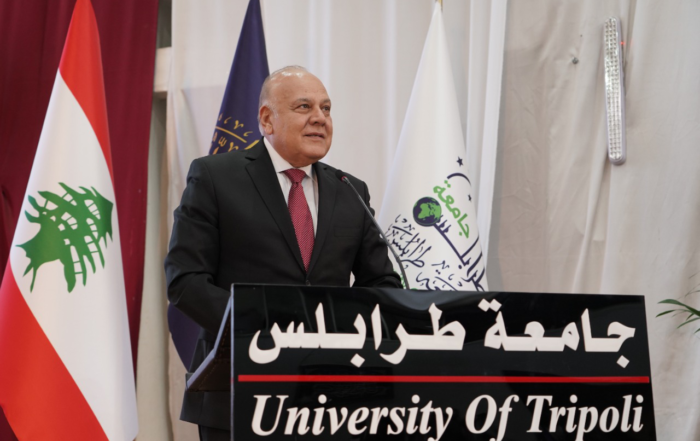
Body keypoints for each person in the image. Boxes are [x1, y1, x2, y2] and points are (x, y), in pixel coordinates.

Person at [164, 66, 401, 441]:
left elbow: (382, 282)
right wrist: (262, 326)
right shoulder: (215, 177)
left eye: (326, 108)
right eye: (304, 106)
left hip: (330, 397)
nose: (319, 118)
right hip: (238, 390)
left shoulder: (350, 190)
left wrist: (339, 329)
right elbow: (185, 280)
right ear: (266, 119)